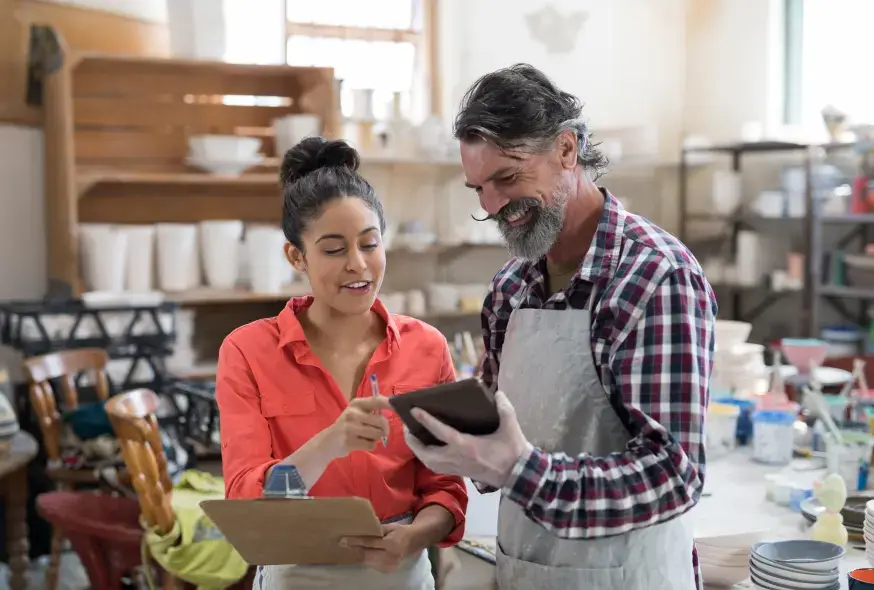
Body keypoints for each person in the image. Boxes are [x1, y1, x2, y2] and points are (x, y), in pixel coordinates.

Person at [403, 64, 717, 590]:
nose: (492, 206)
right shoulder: (511, 287)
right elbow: (500, 432)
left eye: (507, 178)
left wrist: (520, 470)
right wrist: (447, 438)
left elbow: (672, 477)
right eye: (478, 188)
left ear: (567, 149)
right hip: (525, 571)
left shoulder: (656, 277)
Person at [215, 137, 468, 590]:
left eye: (370, 244)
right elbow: (248, 502)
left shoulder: (427, 347)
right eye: (333, 250)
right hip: (296, 573)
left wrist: (413, 537)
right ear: (296, 256)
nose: (358, 265)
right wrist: (330, 443)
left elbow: (446, 487)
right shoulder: (248, 351)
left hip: (401, 574)